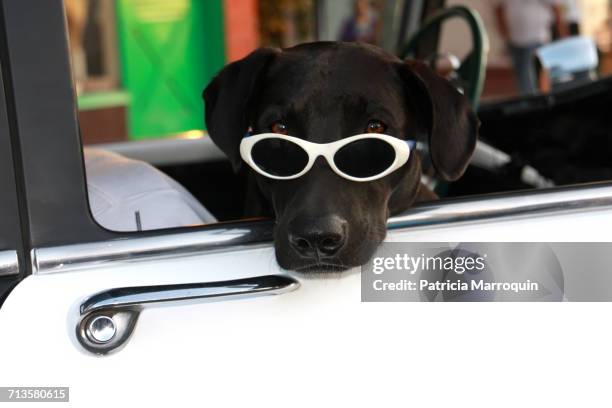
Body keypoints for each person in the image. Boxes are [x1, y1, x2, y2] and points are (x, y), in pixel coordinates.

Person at [494, 0, 567, 94]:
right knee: (522, 76)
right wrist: (506, 36)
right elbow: (499, 10)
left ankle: (539, 101)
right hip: (515, 41)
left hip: (537, 39)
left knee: (536, 76)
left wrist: (562, 38)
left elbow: (556, 9)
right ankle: (529, 100)